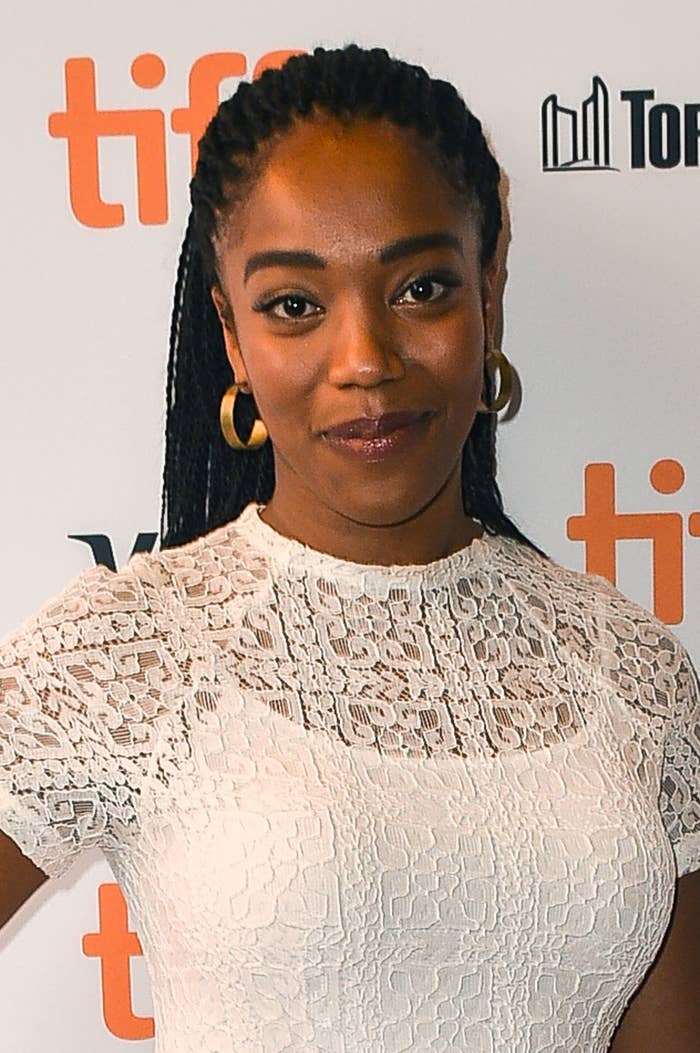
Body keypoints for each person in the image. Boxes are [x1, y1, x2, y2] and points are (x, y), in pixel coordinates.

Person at [1, 43, 699, 1053]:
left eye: (420, 289)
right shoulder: (130, 653)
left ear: (488, 289)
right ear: (234, 339)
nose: (366, 359)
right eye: (295, 306)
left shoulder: (630, 671)